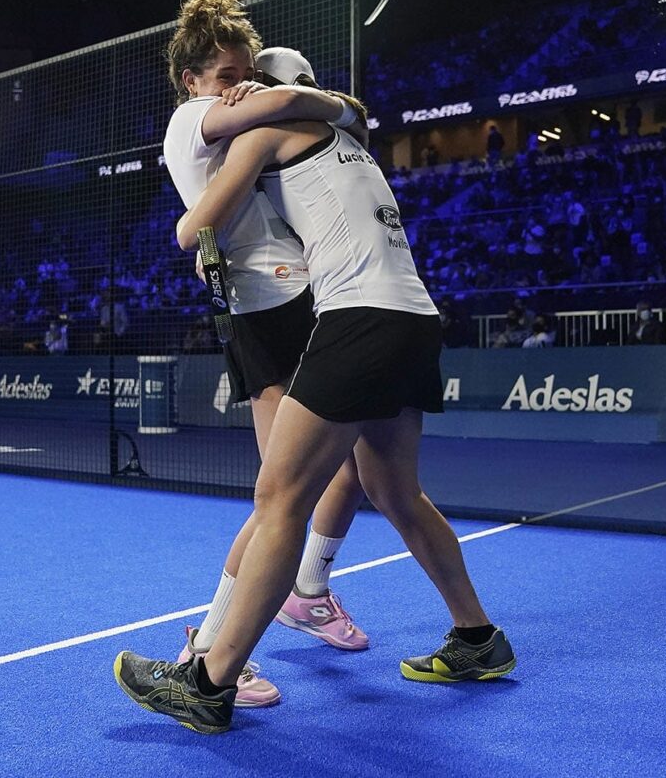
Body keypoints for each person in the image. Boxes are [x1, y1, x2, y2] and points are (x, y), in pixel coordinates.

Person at [117, 46, 514, 735]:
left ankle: (208, 682)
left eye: (246, 86)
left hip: (357, 319)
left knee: (279, 499)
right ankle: (478, 637)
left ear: (267, 92)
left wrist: (214, 238)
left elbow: (192, 227)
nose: (235, 97)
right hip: (415, 317)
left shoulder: (268, 132)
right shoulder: (355, 146)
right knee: (396, 492)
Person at [155, 0, 375, 710]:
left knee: (341, 472)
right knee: (282, 493)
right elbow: (291, 107)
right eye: (226, 75)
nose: (240, 86)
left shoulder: (236, 122)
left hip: (290, 302)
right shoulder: (192, 119)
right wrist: (325, 102)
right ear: (190, 80)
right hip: (271, 312)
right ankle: (208, 649)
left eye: (246, 72)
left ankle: (306, 590)